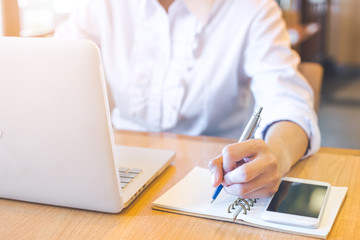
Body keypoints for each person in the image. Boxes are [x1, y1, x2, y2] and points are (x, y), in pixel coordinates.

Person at [54, 0, 320, 198]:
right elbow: (55, 71)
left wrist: (277, 154)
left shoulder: (253, 8)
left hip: (212, 176)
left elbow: (288, 102)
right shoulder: (101, 6)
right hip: (119, 162)